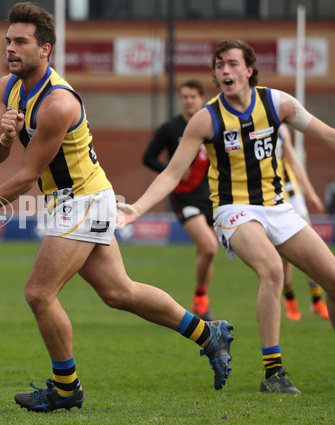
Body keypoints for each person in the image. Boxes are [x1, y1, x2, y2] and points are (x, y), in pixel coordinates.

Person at [0, 2, 233, 413]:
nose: (10, 48)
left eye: (21, 41)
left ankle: (65, 387)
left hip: (85, 202)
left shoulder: (58, 103)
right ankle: (207, 334)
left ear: (45, 50)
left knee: (39, 293)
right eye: (8, 41)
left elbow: (27, 175)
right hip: (73, 201)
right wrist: (5, 137)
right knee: (119, 292)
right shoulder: (6, 87)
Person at [118, 38, 335, 395]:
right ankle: (273, 373)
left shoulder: (278, 102)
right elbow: (171, 173)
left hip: (278, 206)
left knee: (331, 278)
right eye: (219, 65)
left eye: (232, 64)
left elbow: (325, 132)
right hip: (234, 210)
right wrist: (137, 209)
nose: (224, 71)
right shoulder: (207, 118)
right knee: (273, 270)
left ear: (249, 70)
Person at [143, 79, 217, 321]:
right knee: (208, 246)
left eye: (193, 96)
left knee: (206, 252)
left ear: (201, 98)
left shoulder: (213, 125)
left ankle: (201, 298)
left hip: (211, 196)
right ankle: (200, 298)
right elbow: (148, 157)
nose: (188, 101)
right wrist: (170, 168)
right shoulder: (171, 128)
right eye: (184, 97)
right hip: (184, 197)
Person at [276, 125, 330, 321]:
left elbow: (294, 161)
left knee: (311, 243)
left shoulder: (280, 127)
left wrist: (311, 193)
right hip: (271, 198)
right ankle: (289, 298)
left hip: (293, 194)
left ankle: (316, 299)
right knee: (283, 254)